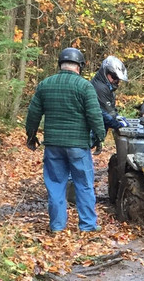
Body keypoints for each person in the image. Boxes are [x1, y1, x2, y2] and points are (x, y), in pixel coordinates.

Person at [25, 46, 106, 233]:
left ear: (61, 64)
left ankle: (57, 226)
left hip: (53, 145)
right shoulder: (85, 86)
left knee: (55, 185)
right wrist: (100, 137)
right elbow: (94, 115)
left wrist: (31, 135)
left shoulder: (45, 84)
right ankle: (87, 225)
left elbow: (33, 114)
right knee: (84, 185)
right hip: (78, 145)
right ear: (79, 66)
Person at [91, 55, 129, 136]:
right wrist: (118, 124)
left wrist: (117, 117)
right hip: (88, 133)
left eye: (118, 79)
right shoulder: (100, 88)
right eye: (114, 77)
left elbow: (110, 110)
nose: (116, 81)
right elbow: (104, 114)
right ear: (106, 73)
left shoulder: (107, 87)